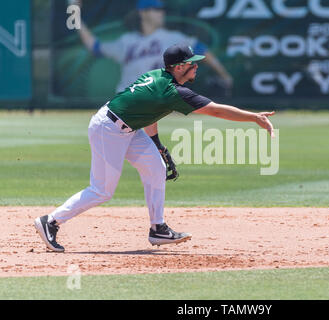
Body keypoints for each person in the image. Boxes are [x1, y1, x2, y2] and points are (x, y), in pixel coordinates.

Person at [34, 43, 275, 252]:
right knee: (102, 190)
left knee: (155, 168)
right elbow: (216, 110)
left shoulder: (160, 77)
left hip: (127, 127)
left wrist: (157, 144)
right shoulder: (173, 91)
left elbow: (150, 111)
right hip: (108, 130)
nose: (197, 66)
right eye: (192, 63)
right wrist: (253, 117)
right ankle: (51, 221)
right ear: (179, 67)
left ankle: (157, 229)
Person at [74, 0, 233, 93]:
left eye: (162, 9)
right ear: (143, 13)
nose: (161, 13)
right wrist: (75, 14)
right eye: (156, 9)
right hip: (126, 102)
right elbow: (95, 47)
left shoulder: (171, 37)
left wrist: (224, 74)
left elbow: (200, 49)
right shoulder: (126, 41)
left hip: (157, 104)